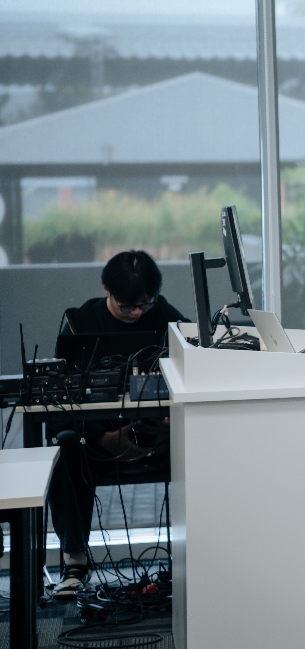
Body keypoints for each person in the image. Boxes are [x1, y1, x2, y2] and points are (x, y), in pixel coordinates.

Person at [48, 250, 185, 598]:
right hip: (97, 444)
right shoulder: (80, 323)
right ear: (106, 289)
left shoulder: (166, 318)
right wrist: (106, 438)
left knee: (204, 442)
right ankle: (75, 561)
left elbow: (192, 373)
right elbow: (61, 401)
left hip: (159, 437)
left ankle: (199, 557)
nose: (138, 312)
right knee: (64, 451)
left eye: (145, 304)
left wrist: (170, 422)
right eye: (128, 306)